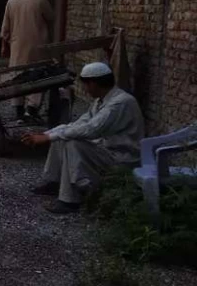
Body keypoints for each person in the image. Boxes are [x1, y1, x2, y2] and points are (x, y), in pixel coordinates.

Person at [22, 62, 144, 214]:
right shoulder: (102, 100)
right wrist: (46, 135)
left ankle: (70, 199)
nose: (85, 89)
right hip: (107, 150)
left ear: (93, 83)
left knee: (72, 142)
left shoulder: (120, 103)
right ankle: (55, 182)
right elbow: (78, 124)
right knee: (63, 135)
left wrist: (48, 137)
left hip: (122, 157)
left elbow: (91, 129)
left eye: (85, 85)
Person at [0, 0, 55, 122]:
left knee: (17, 75)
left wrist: (4, 46)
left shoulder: (11, 1)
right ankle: (32, 109)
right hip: (38, 46)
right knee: (38, 74)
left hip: (17, 46)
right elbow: (51, 17)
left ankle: (18, 110)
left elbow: (5, 28)